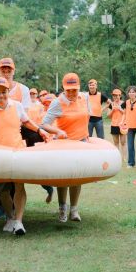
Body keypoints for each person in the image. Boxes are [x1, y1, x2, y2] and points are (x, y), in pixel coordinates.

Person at [0, 77, 49, 235]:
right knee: (3, 191)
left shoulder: (17, 106)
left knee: (19, 186)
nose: (1, 95)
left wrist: (40, 130)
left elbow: (27, 122)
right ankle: (10, 217)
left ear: (8, 92)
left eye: (4, 92)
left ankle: (19, 222)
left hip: (17, 151)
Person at [41, 73, 91, 223]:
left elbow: (85, 117)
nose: (71, 93)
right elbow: (44, 124)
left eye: (74, 90)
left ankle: (74, 210)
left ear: (79, 88)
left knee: (77, 177)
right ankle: (62, 208)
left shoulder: (84, 98)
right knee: (63, 178)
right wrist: (58, 131)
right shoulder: (57, 103)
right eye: (68, 90)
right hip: (64, 145)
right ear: (63, 88)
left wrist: (86, 134)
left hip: (81, 143)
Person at [121, 86, 136, 168]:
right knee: (130, 146)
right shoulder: (126, 102)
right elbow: (124, 113)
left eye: (133, 92)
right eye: (130, 92)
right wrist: (121, 122)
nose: (131, 93)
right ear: (128, 93)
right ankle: (130, 163)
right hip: (129, 127)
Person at [108, 88, 126, 154]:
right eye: (114, 95)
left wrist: (120, 109)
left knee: (123, 142)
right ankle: (118, 156)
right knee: (116, 143)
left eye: (117, 95)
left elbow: (127, 114)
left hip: (122, 125)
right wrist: (112, 110)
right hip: (114, 125)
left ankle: (124, 157)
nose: (115, 97)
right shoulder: (111, 104)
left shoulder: (124, 103)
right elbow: (108, 116)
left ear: (120, 95)